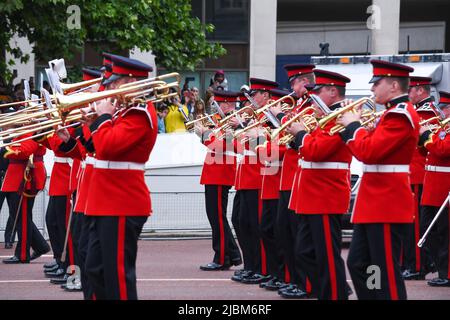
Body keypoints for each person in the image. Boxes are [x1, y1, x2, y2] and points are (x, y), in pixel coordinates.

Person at [336, 60, 419, 300]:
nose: (372, 89)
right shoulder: (389, 114)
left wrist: (353, 126)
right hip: (374, 203)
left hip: (386, 203)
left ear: (394, 85)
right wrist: (358, 128)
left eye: (377, 83)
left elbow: (368, 152)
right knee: (361, 264)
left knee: (382, 269)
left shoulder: (400, 116)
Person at [83, 54, 156, 300]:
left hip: (122, 202)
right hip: (106, 202)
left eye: (117, 82)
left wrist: (102, 118)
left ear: (133, 82)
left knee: (118, 277)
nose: (111, 87)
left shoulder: (139, 113)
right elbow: (96, 148)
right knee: (95, 269)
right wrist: (95, 121)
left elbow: (108, 147)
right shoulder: (124, 111)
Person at [287, 69, 352, 300]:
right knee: (304, 252)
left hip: (325, 195)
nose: (313, 97)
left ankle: (335, 293)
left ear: (333, 92)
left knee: (326, 254)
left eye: (319, 91)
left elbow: (316, 150)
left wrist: (301, 133)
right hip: (313, 195)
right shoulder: (326, 116)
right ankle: (331, 290)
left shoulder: (342, 117)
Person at [270, 63, 316, 299]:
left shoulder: (311, 107)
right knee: (284, 232)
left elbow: (301, 137)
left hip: (298, 175)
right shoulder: (299, 106)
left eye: (294, 83)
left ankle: (304, 282)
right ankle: (294, 279)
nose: (292, 88)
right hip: (288, 177)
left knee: (298, 235)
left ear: (304, 81)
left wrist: (281, 118)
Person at [231, 78, 278, 284]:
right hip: (245, 176)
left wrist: (249, 136)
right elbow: (237, 146)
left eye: (256, 94)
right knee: (242, 223)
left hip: (258, 177)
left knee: (257, 226)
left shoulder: (269, 118)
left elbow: (270, 147)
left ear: (266, 95)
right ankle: (251, 264)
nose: (252, 98)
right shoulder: (256, 116)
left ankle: (262, 267)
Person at [195, 90, 242, 271]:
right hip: (215, 171)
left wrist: (204, 135)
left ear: (227, 105)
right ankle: (231, 254)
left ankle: (222, 257)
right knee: (215, 216)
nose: (216, 107)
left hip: (221, 172)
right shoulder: (221, 121)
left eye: (219, 104)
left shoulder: (231, 122)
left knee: (217, 217)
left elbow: (225, 145)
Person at [402, 76, 438, 280]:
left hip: (417, 173)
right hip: (410, 173)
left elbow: (426, 144)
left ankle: (417, 266)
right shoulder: (416, 112)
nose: (409, 95)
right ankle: (416, 262)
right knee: (409, 222)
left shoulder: (426, 113)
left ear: (421, 91)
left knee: (415, 224)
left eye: (411, 91)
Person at [1, 131, 51, 264]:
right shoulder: (20, 132)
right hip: (15, 176)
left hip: (24, 178)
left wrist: (5, 148)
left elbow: (25, 150)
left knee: (21, 218)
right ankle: (41, 246)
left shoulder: (31, 131)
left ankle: (23, 254)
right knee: (19, 217)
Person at [419, 90, 450, 287]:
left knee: (445, 234)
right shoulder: (442, 127)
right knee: (427, 230)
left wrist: (427, 135)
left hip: (444, 186)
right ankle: (439, 267)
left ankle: (446, 273)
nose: (442, 112)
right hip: (432, 186)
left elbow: (443, 149)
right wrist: (420, 138)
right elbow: (426, 153)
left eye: (445, 108)